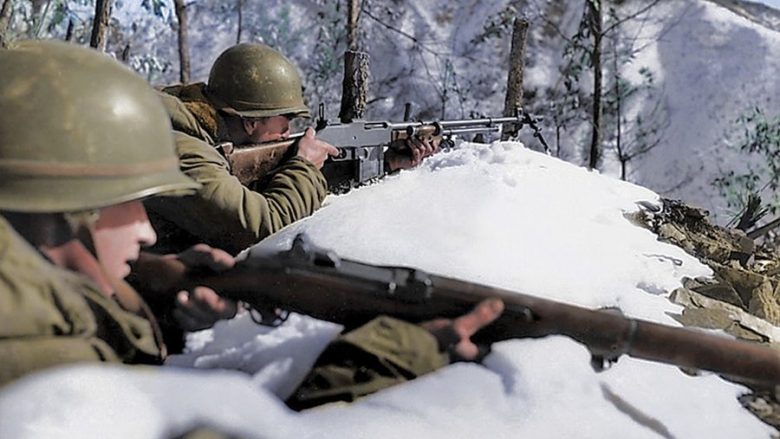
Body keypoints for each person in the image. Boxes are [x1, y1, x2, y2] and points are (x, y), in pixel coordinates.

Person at [0, 41, 501, 409]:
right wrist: (386, 356)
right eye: (284, 121)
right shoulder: (44, 367)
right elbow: (256, 223)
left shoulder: (44, 322)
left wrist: (158, 304)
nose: (145, 229)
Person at [145, 43, 439, 256]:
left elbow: (250, 187)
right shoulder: (181, 151)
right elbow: (262, 228)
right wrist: (304, 166)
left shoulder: (204, 134)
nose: (288, 133)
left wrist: (385, 162)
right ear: (250, 122)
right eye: (285, 121)